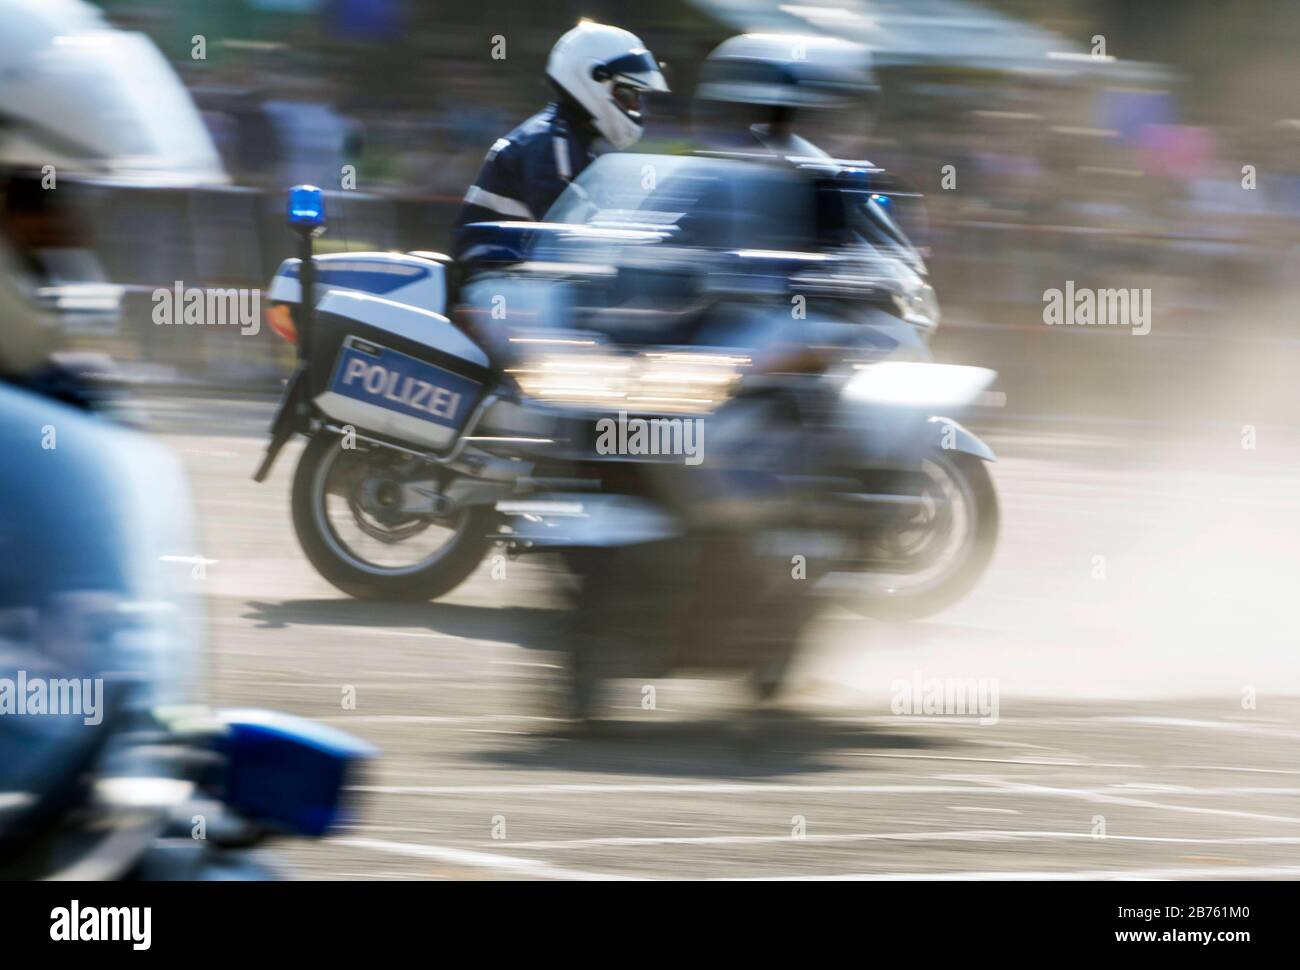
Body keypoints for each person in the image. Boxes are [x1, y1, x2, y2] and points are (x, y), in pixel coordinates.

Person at [451, 20, 668, 261]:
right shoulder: (549, 142)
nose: (635, 106)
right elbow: (574, 226)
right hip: (489, 277)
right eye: (627, 95)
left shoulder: (571, 140)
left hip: (519, 274)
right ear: (592, 79)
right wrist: (649, 242)